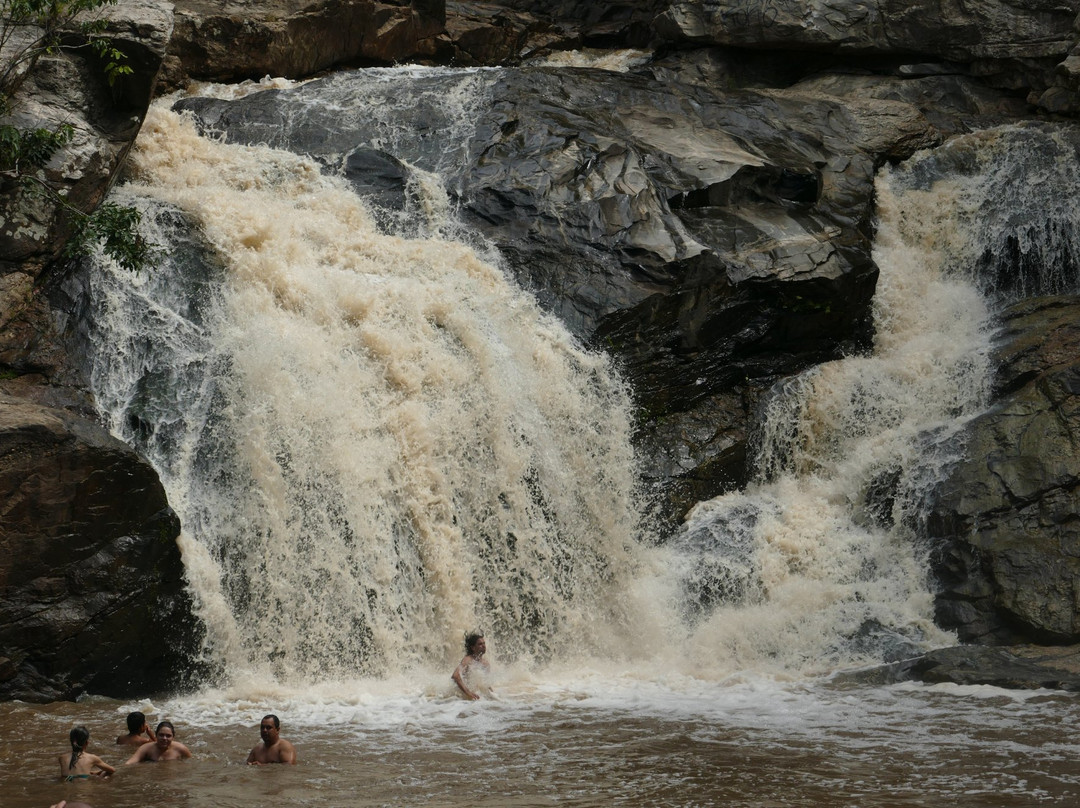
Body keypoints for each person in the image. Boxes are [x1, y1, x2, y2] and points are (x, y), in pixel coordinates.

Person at [451, 630, 492, 700]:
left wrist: (493, 694)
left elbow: (485, 684)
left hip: (478, 697)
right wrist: (468, 692)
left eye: (484, 643)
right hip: (460, 699)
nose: (483, 646)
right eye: (480, 644)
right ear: (473, 647)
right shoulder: (468, 660)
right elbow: (455, 676)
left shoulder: (485, 663)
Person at [125, 720, 192, 763]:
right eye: (161, 735)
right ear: (156, 735)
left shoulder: (181, 749)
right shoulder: (146, 748)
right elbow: (131, 762)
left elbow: (191, 763)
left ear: (173, 737)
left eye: (168, 736)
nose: (164, 738)